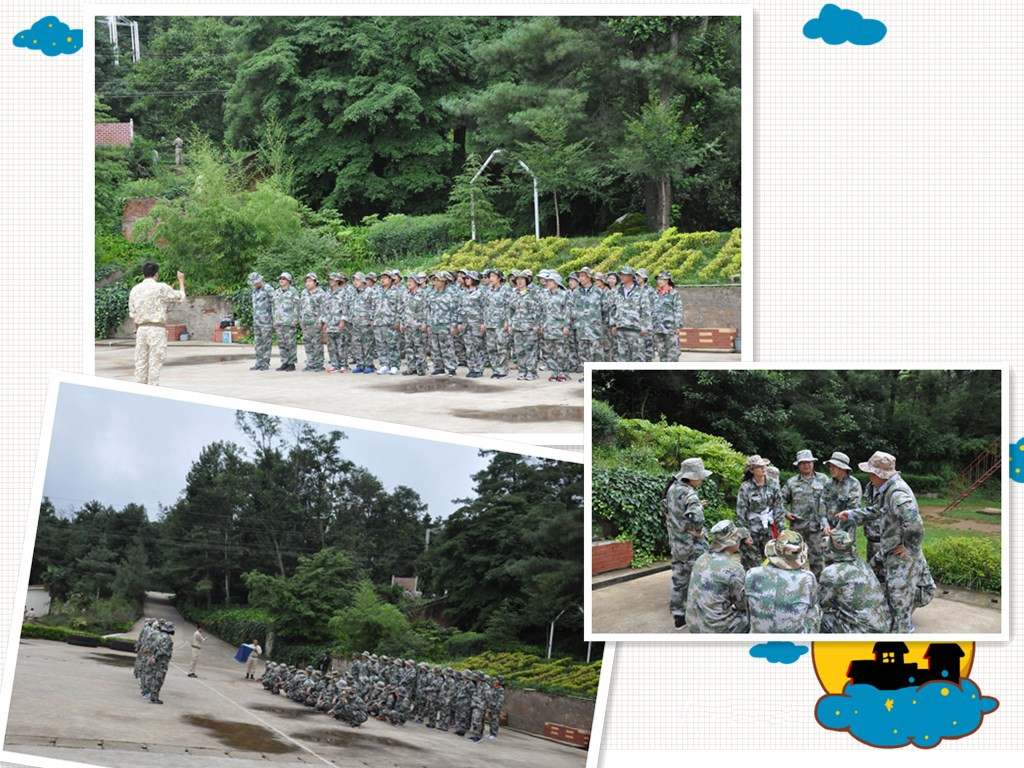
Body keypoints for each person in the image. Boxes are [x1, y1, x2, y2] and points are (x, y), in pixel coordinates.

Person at [843, 451, 927, 633]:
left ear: (880, 474)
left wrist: (908, 547)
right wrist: (851, 515)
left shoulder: (897, 494)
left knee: (900, 605)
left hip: (902, 560)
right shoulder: (887, 489)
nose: (869, 477)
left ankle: (901, 636)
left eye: (871, 473)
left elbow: (915, 524)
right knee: (893, 599)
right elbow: (877, 510)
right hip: (891, 554)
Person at [664, 457, 711, 629]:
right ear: (691, 477)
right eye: (700, 476)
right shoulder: (690, 493)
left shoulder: (672, 489)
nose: (702, 479)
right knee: (699, 577)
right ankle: (700, 613)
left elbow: (667, 508)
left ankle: (679, 617)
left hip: (677, 544)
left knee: (679, 579)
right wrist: (698, 530)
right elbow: (697, 517)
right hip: (693, 546)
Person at [745, 531, 821, 633]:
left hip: (759, 636)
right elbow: (812, 603)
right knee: (815, 607)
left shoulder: (752, 573)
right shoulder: (807, 578)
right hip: (794, 639)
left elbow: (746, 606)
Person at [818, 530, 890, 633]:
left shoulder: (832, 572)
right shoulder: (862, 564)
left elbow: (822, 603)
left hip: (860, 631)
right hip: (881, 625)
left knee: (815, 614)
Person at [684, 520, 749, 633]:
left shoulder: (701, 559)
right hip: (715, 629)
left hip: (693, 622)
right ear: (731, 542)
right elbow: (743, 604)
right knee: (756, 616)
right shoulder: (734, 568)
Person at [127, 262, 185, 386]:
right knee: (155, 365)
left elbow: (133, 314)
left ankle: (139, 391)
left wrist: (136, 330)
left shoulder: (135, 290)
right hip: (156, 329)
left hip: (141, 329)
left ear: (143, 274)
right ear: (156, 274)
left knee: (140, 364)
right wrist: (181, 280)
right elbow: (181, 296)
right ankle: (153, 390)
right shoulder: (160, 288)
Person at [780, 449, 829, 578]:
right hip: (797, 527)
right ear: (798, 465)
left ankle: (818, 585)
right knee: (793, 558)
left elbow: (831, 500)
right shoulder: (792, 482)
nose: (806, 465)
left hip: (816, 527)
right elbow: (780, 500)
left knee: (817, 559)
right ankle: (795, 583)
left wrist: (827, 520)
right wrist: (785, 513)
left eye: (808, 462)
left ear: (813, 463)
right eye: (803, 463)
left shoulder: (824, 480)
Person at [735, 454, 782, 570]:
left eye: (764, 466)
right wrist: (745, 535)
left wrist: (781, 530)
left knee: (772, 563)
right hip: (752, 531)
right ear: (752, 470)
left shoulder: (773, 484)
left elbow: (779, 508)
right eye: (759, 466)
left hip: (769, 530)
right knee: (751, 565)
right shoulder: (745, 487)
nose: (763, 468)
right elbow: (741, 513)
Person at [609, 266, 651, 362]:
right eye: (621, 274)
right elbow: (613, 308)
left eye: (624, 275)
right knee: (622, 357)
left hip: (636, 329)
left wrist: (645, 326)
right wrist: (613, 324)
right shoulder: (617, 291)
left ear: (631, 276)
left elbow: (646, 310)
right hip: (621, 328)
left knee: (638, 357)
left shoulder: (640, 291)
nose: (622, 277)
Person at [822, 451, 861, 534]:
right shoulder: (828, 483)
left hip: (845, 532)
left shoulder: (854, 484)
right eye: (830, 466)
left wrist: (837, 529)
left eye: (833, 466)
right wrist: (825, 524)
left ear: (842, 468)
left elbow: (853, 511)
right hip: (827, 530)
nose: (830, 469)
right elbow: (822, 504)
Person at [651, 270, 683, 362]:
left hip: (670, 328)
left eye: (661, 279)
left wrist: (677, 325)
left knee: (673, 353)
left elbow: (678, 310)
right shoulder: (654, 293)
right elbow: (651, 309)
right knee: (661, 353)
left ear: (667, 280)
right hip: (657, 327)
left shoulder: (674, 293)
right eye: (658, 279)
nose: (659, 281)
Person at [272, 272, 300, 371]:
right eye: (280, 279)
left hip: (289, 322)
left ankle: (291, 363)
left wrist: (295, 319)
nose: (281, 280)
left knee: (290, 343)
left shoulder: (293, 291)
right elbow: (273, 307)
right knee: (281, 343)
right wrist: (274, 320)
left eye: (283, 279)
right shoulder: (276, 292)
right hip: (279, 322)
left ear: (289, 280)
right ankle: (284, 362)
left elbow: (297, 306)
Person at [248, 272, 274, 371]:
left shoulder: (268, 289)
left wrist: (273, 319)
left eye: (255, 282)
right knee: (257, 342)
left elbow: (274, 305)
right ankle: (258, 362)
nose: (254, 284)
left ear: (260, 280)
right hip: (257, 320)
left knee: (266, 342)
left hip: (266, 321)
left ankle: (265, 363)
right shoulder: (254, 290)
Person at [146, 619, 175, 704]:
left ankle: (152, 696)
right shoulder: (167, 638)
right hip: (161, 662)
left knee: (154, 677)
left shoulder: (159, 636)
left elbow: (152, 647)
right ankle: (154, 698)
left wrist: (153, 657)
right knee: (159, 679)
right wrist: (156, 658)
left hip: (156, 660)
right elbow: (163, 650)